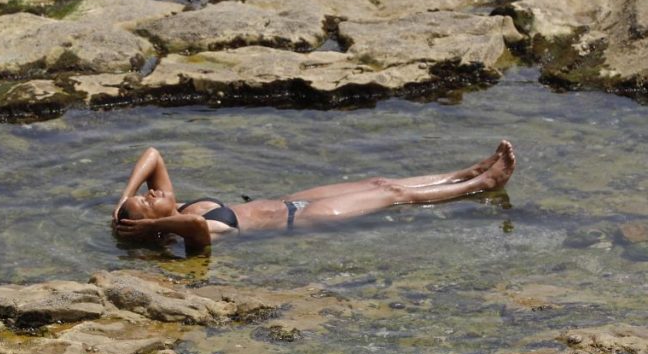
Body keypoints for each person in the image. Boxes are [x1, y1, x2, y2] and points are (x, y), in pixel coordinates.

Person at [113, 141, 516, 250]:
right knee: (396, 194)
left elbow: (153, 154)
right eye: (147, 201)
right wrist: (151, 227)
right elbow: (196, 226)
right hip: (305, 219)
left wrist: (124, 200)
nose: (152, 193)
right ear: (156, 224)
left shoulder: (177, 204)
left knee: (380, 181)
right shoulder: (194, 232)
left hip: (293, 199)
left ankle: (463, 173)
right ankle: (481, 186)